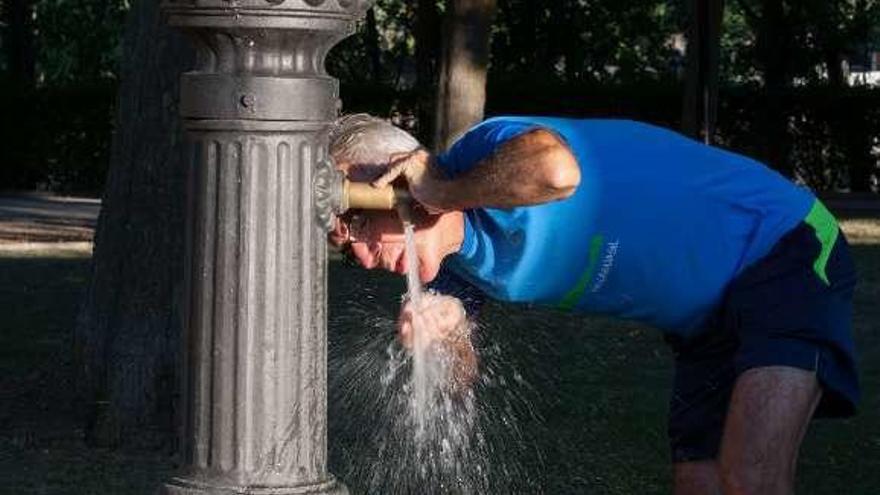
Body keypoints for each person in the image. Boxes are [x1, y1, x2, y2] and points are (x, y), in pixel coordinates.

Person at [326, 113, 859, 495]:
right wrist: (441, 340)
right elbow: (462, 383)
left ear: (393, 176)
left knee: (750, 479)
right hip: (705, 325)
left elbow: (558, 172)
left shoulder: (481, 153)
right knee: (700, 483)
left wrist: (440, 189)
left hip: (781, 249)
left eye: (357, 223)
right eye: (347, 251)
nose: (365, 259)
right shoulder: (460, 272)